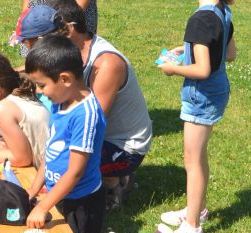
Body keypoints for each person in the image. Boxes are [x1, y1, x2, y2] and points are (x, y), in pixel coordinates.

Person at [17, 2, 153, 210]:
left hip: (123, 145)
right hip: (100, 133)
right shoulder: (68, 57)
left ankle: (115, 182)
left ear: (68, 30)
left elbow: (93, 126)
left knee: (56, 160)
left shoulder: (106, 65)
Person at [158, 0, 236, 233]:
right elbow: (229, 54)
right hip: (217, 90)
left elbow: (202, 70)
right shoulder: (223, 11)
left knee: (192, 161)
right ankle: (197, 210)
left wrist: (173, 69)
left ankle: (192, 227)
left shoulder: (200, 19)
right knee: (199, 156)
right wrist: (186, 49)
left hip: (201, 96)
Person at [24, 35, 107, 233]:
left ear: (65, 79)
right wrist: (33, 190)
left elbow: (75, 171)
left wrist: (44, 207)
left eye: (42, 85)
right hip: (59, 195)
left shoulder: (85, 114)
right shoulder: (58, 101)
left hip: (82, 202)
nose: (39, 92)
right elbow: (52, 152)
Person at [17, 0, 97, 57]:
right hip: (38, 13)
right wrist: (26, 21)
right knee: (37, 59)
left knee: (66, 56)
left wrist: (62, 24)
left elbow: (75, 12)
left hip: (66, 13)